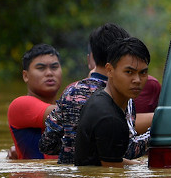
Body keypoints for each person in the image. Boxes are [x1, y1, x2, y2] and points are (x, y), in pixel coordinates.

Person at [40, 23, 151, 163]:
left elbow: (47, 144)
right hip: (105, 174)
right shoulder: (120, 96)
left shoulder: (71, 91)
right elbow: (127, 150)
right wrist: (156, 133)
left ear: (92, 56)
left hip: (69, 175)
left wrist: (71, 148)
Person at [75, 37, 150, 167]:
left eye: (143, 73)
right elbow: (114, 177)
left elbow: (110, 158)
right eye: (129, 72)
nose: (137, 80)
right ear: (109, 70)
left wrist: (139, 166)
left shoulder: (100, 99)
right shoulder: (109, 117)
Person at [7, 44, 62, 160]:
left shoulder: (65, 104)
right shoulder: (20, 105)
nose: (49, 73)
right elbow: (63, 115)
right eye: (41, 68)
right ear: (25, 76)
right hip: (38, 177)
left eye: (54, 67)